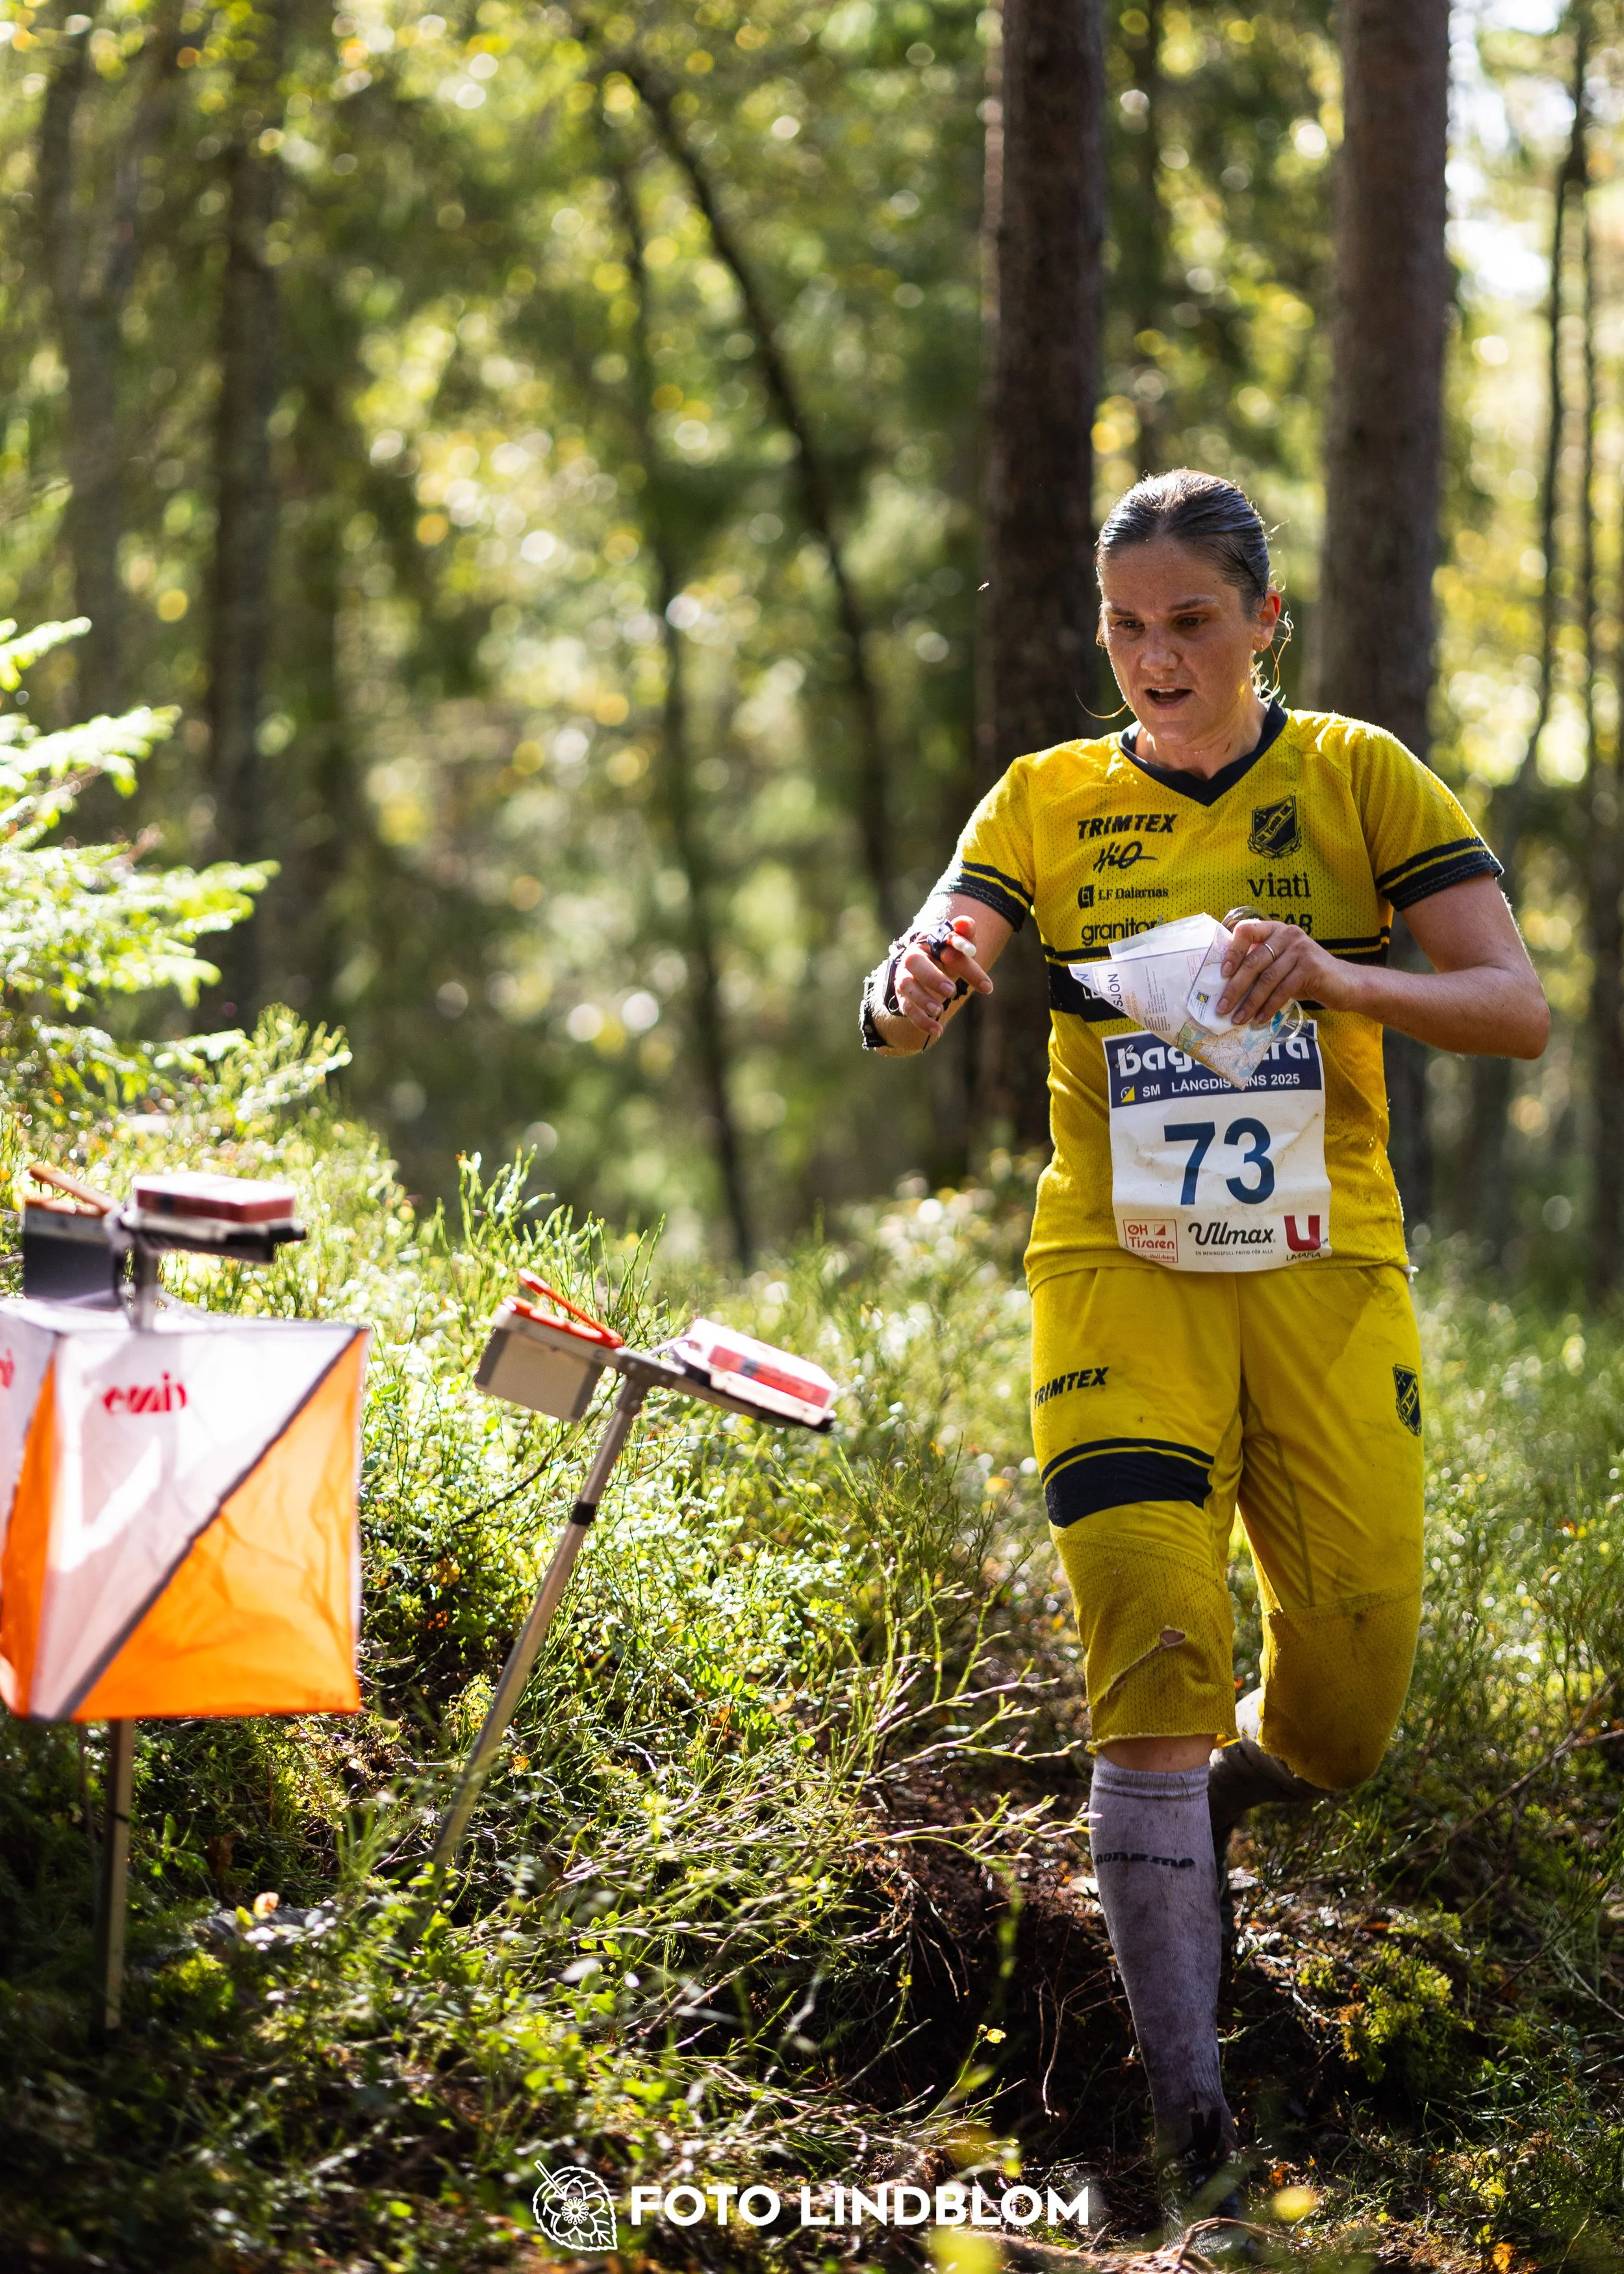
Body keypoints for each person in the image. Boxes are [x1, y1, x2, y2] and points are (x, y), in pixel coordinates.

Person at [859, 469, 1549, 2216]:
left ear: (1261, 624)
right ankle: (1191, 2134)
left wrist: (1333, 974)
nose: (1153, 658)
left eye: (1187, 621)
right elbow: (937, 940)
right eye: (1124, 624)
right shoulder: (1045, 798)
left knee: (1347, 1710)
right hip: (1119, 1271)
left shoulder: (1354, 780)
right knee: (1147, 1642)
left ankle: (1240, 1784)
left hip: (1325, 1275)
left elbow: (1514, 1005)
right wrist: (917, 980)